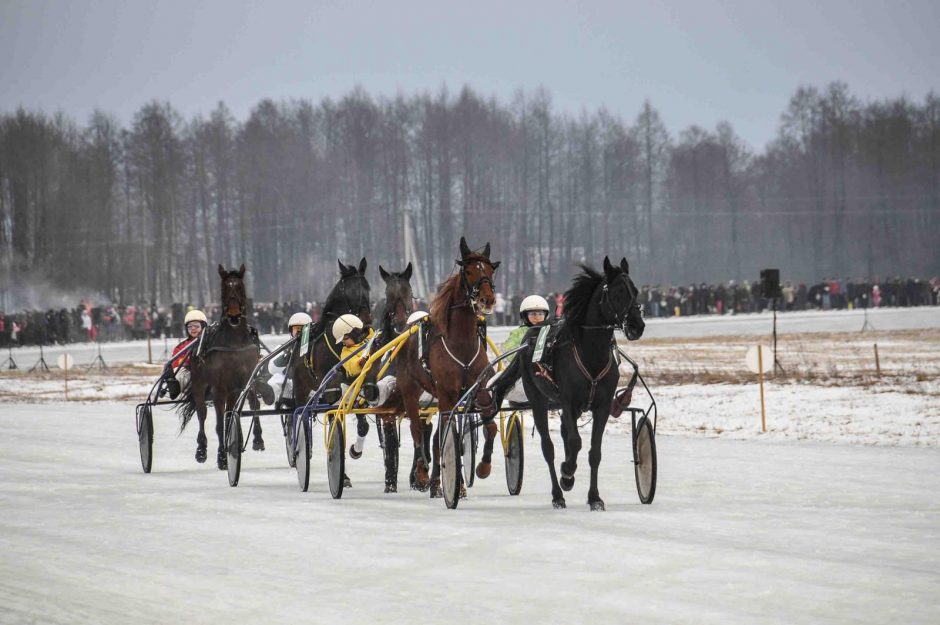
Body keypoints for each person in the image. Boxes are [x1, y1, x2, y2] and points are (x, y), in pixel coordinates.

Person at [475, 295, 551, 418]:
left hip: (545, 372)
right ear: (525, 316)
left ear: (545, 315)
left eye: (540, 314)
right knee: (497, 380)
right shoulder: (519, 332)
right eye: (532, 314)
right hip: (523, 372)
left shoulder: (549, 331)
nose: (536, 317)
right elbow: (509, 348)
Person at [263, 311, 312, 406]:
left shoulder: (314, 348)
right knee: (277, 378)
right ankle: (269, 393)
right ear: (291, 330)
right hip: (290, 388)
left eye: (303, 329)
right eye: (297, 328)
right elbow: (272, 368)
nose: (300, 331)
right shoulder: (284, 348)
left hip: (310, 388)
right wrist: (285, 359)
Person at [162, 309, 207, 399]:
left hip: (208, 374)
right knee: (176, 371)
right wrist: (187, 361)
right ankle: (184, 391)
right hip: (189, 376)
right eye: (190, 327)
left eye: (196, 326)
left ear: (203, 327)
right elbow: (175, 364)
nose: (193, 329)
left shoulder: (210, 343)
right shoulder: (181, 346)